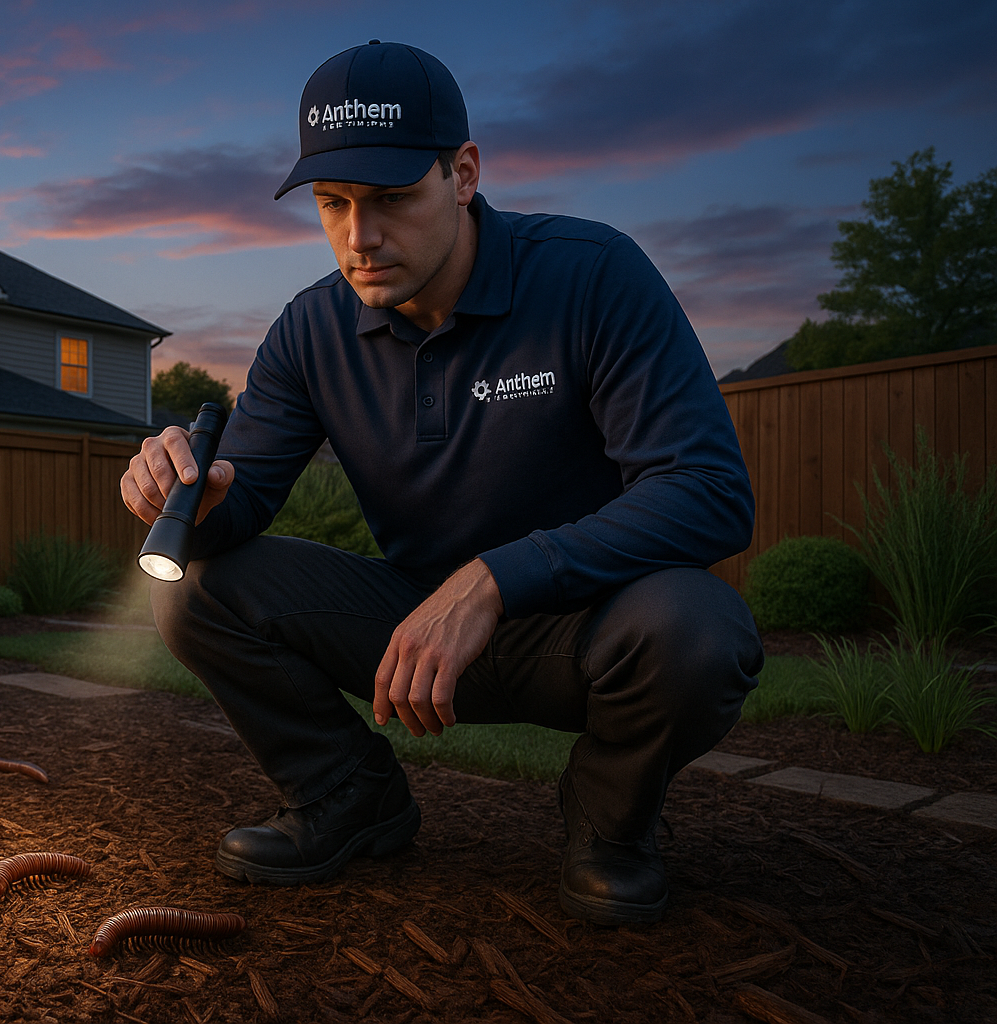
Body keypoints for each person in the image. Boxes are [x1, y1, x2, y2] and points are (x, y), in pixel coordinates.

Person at [119, 40, 763, 926]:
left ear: (462, 175)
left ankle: (607, 823)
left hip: (586, 628)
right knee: (194, 587)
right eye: (332, 203)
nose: (360, 237)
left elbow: (707, 490)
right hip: (405, 632)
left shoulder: (592, 276)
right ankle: (349, 798)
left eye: (390, 199)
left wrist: (499, 577)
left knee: (699, 629)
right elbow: (249, 494)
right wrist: (193, 500)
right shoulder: (309, 331)